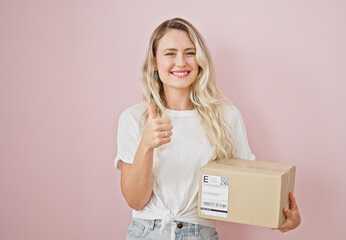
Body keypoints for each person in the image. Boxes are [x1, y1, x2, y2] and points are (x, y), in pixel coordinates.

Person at [114, 17, 301, 240]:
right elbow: (135, 201)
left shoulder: (226, 117)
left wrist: (281, 216)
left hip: (199, 234)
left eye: (190, 52)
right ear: (154, 62)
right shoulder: (133, 118)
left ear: (200, 59)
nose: (181, 62)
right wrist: (146, 146)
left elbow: (248, 188)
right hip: (145, 233)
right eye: (170, 53)